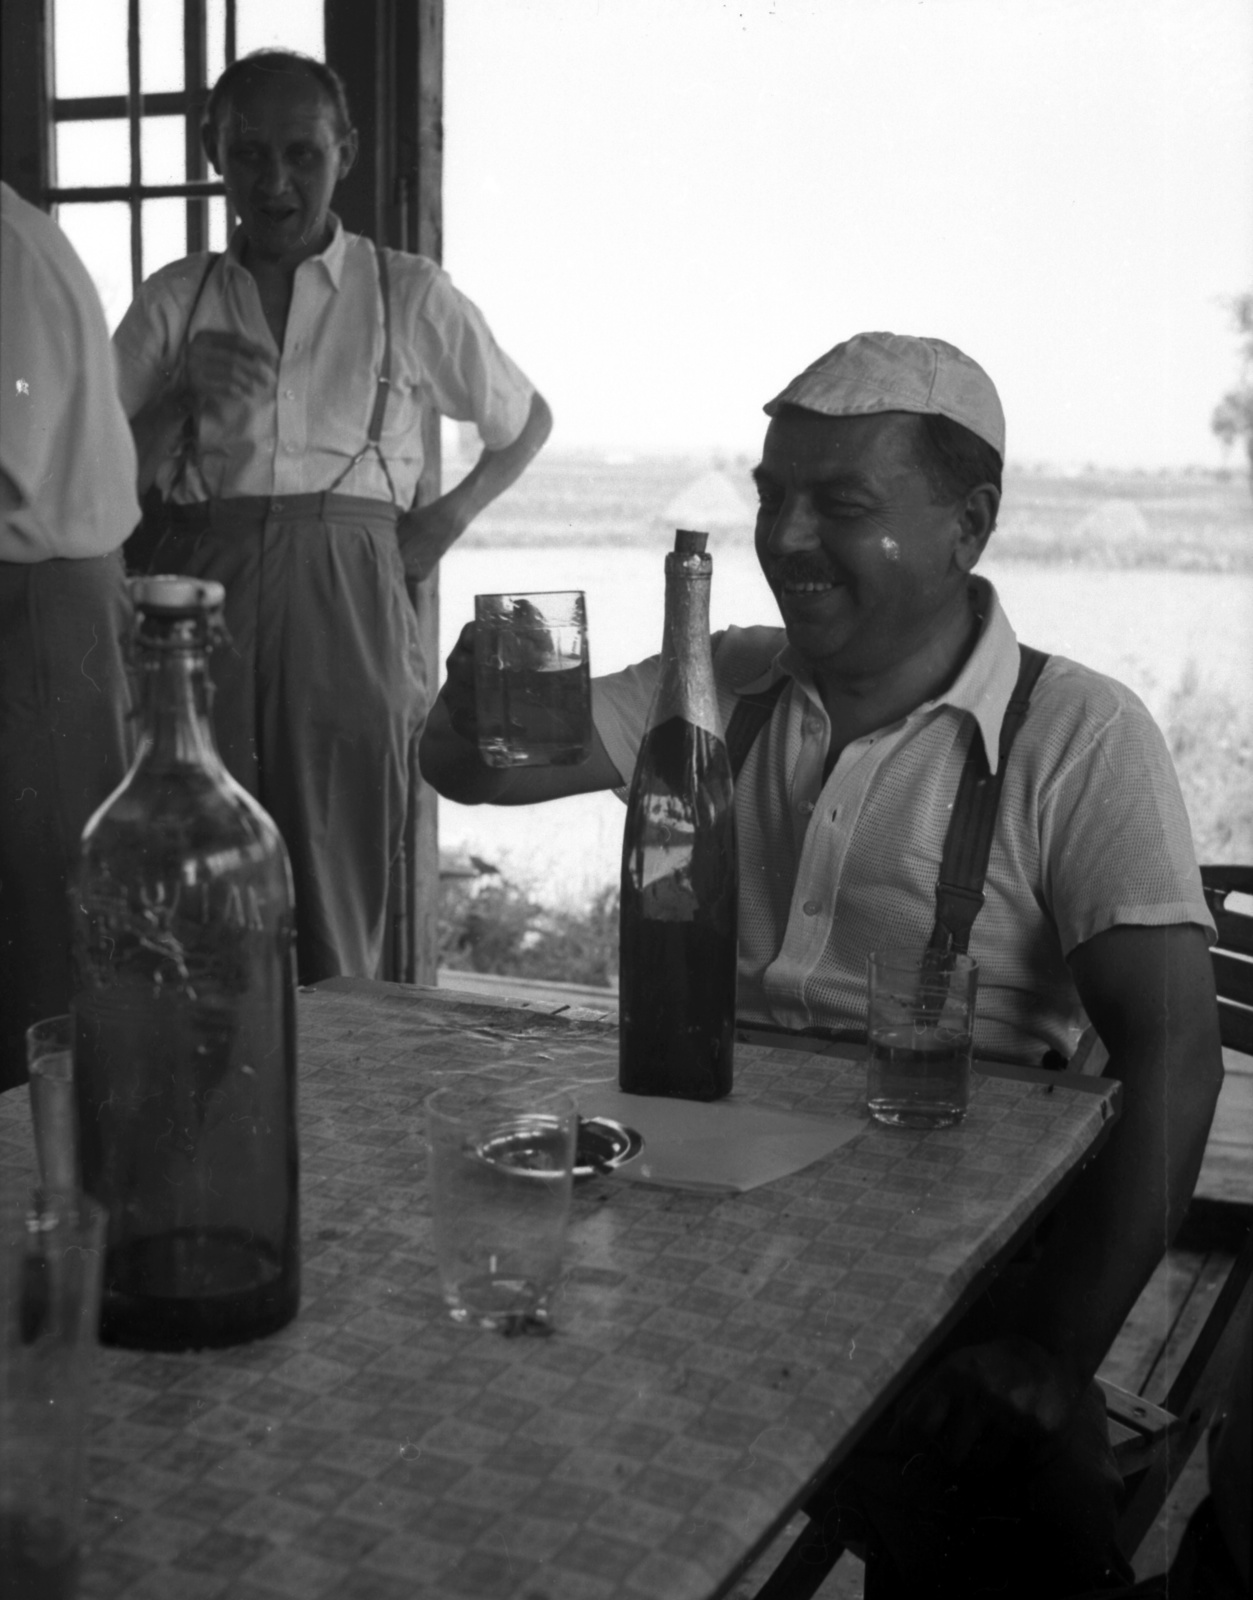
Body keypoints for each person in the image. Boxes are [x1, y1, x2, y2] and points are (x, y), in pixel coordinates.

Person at [420, 331, 1225, 1595]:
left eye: (838, 505)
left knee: (1006, 1503)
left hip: (950, 1264)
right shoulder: (719, 684)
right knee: (479, 1394)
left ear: (969, 524)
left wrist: (1055, 1353)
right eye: (769, 496)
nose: (784, 536)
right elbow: (471, 771)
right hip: (694, 1226)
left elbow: (1173, 1043)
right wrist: (466, 706)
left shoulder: (1074, 737)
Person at [113, 49, 552, 984]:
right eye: (249, 153)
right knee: (198, 866)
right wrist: (177, 400)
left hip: (349, 598)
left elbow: (525, 419)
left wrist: (447, 519)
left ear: (344, 152)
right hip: (202, 601)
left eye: (302, 154)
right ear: (213, 154)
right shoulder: (173, 301)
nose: (275, 182)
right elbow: (103, 482)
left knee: (338, 878)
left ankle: (341, 1101)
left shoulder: (408, 292)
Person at [0, 181, 138, 1092]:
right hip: (36, 600)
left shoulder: (8, 250)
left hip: (37, 612)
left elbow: (10, 462)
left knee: (44, 927)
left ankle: (58, 1194)